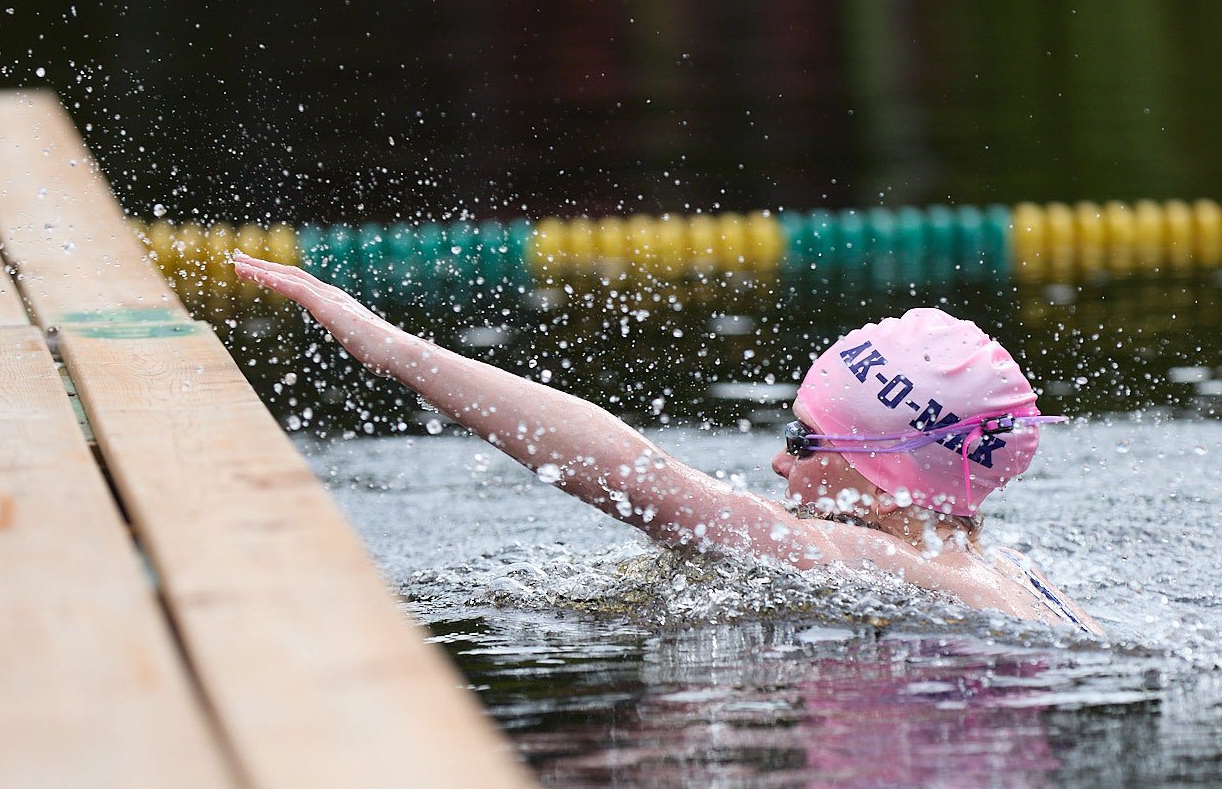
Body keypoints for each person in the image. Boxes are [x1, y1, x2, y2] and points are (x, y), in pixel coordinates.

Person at [231, 252, 1101, 633]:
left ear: (884, 486)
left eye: (807, 440)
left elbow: (634, 477)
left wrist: (390, 349)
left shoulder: (888, 567)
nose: (777, 460)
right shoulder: (998, 572)